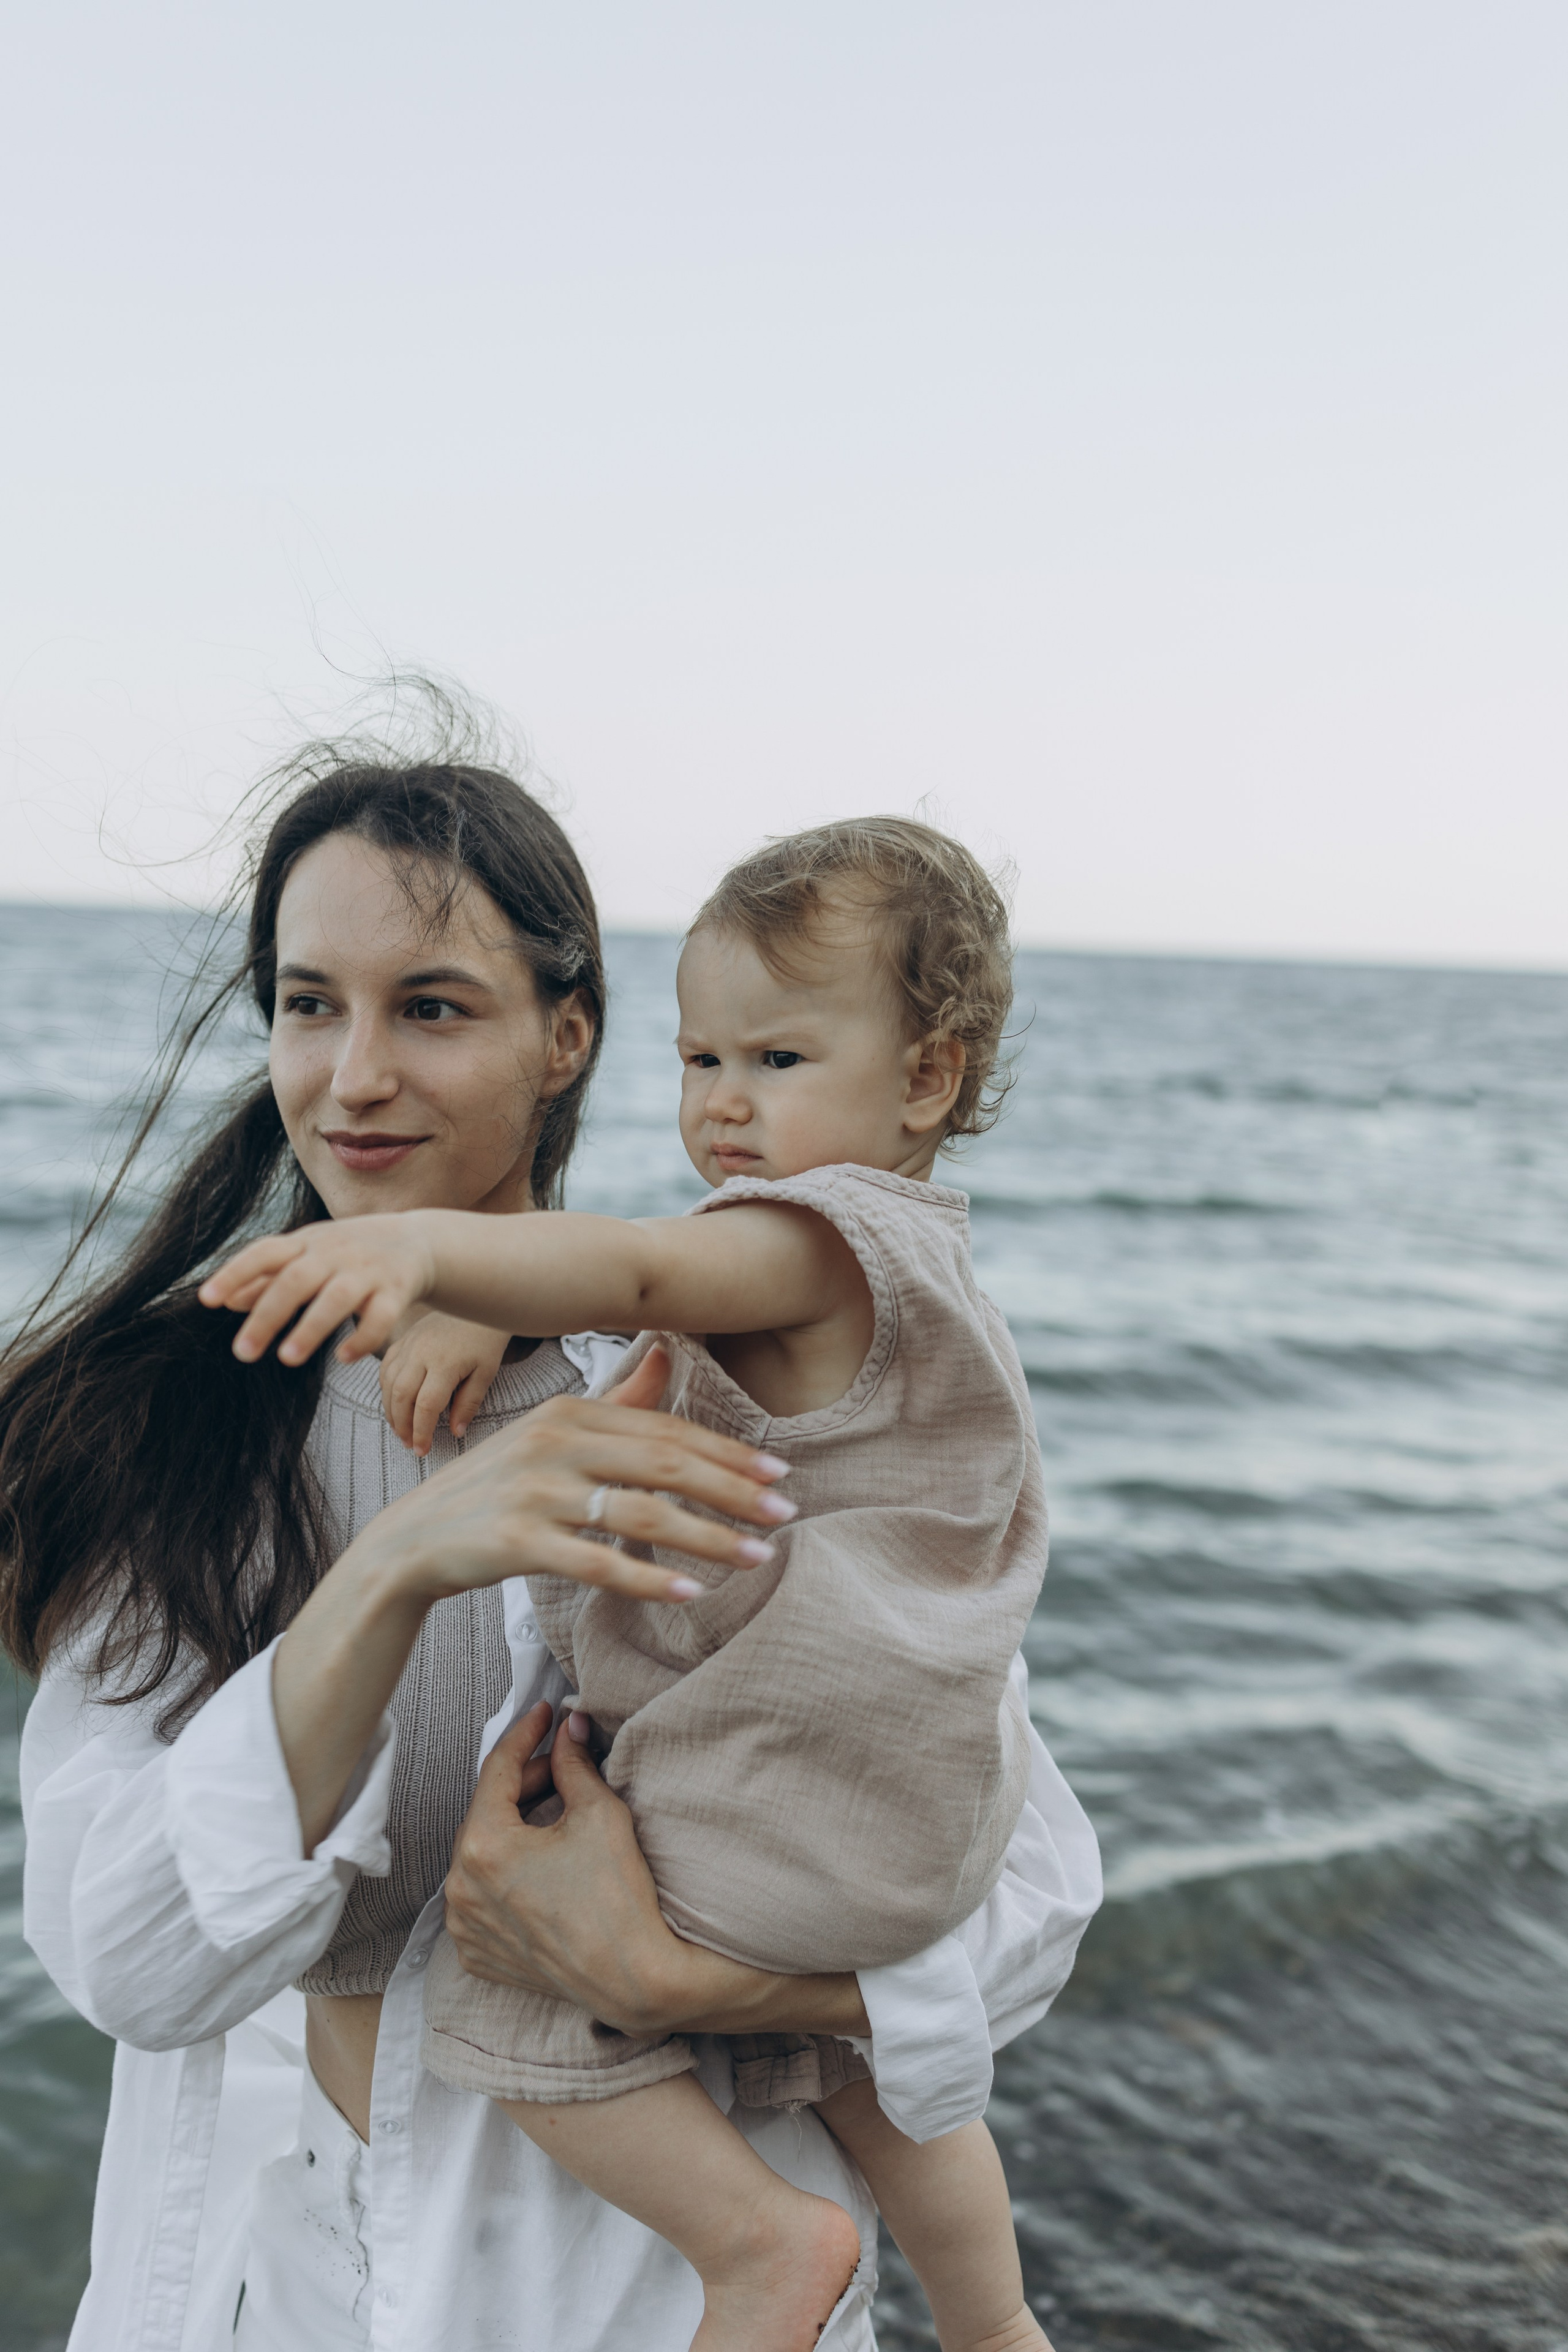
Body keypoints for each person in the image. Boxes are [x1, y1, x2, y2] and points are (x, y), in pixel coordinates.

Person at [7, 738, 1101, 2352]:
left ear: (565, 1037)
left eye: (431, 1008)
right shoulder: (173, 1416)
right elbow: (127, 1966)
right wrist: (390, 1573)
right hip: (272, 2281)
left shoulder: (714, 1394)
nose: (354, 1074)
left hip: (639, 2293)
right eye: (309, 1005)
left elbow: (1025, 1896)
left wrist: (683, 1982)